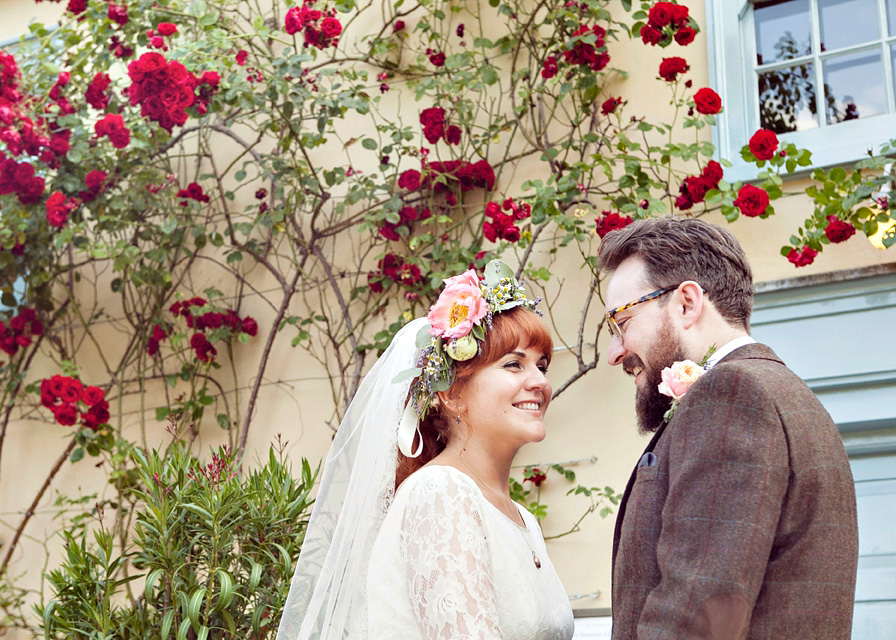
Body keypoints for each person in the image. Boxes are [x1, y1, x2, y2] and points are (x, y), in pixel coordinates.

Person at [276, 260, 574, 639]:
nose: (540, 382)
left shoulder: (523, 519)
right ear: (452, 395)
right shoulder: (441, 494)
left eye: (542, 366)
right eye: (514, 364)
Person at [598, 216, 859, 639]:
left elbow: (699, 617)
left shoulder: (732, 395)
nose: (614, 352)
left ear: (686, 303)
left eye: (622, 323)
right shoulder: (790, 396)